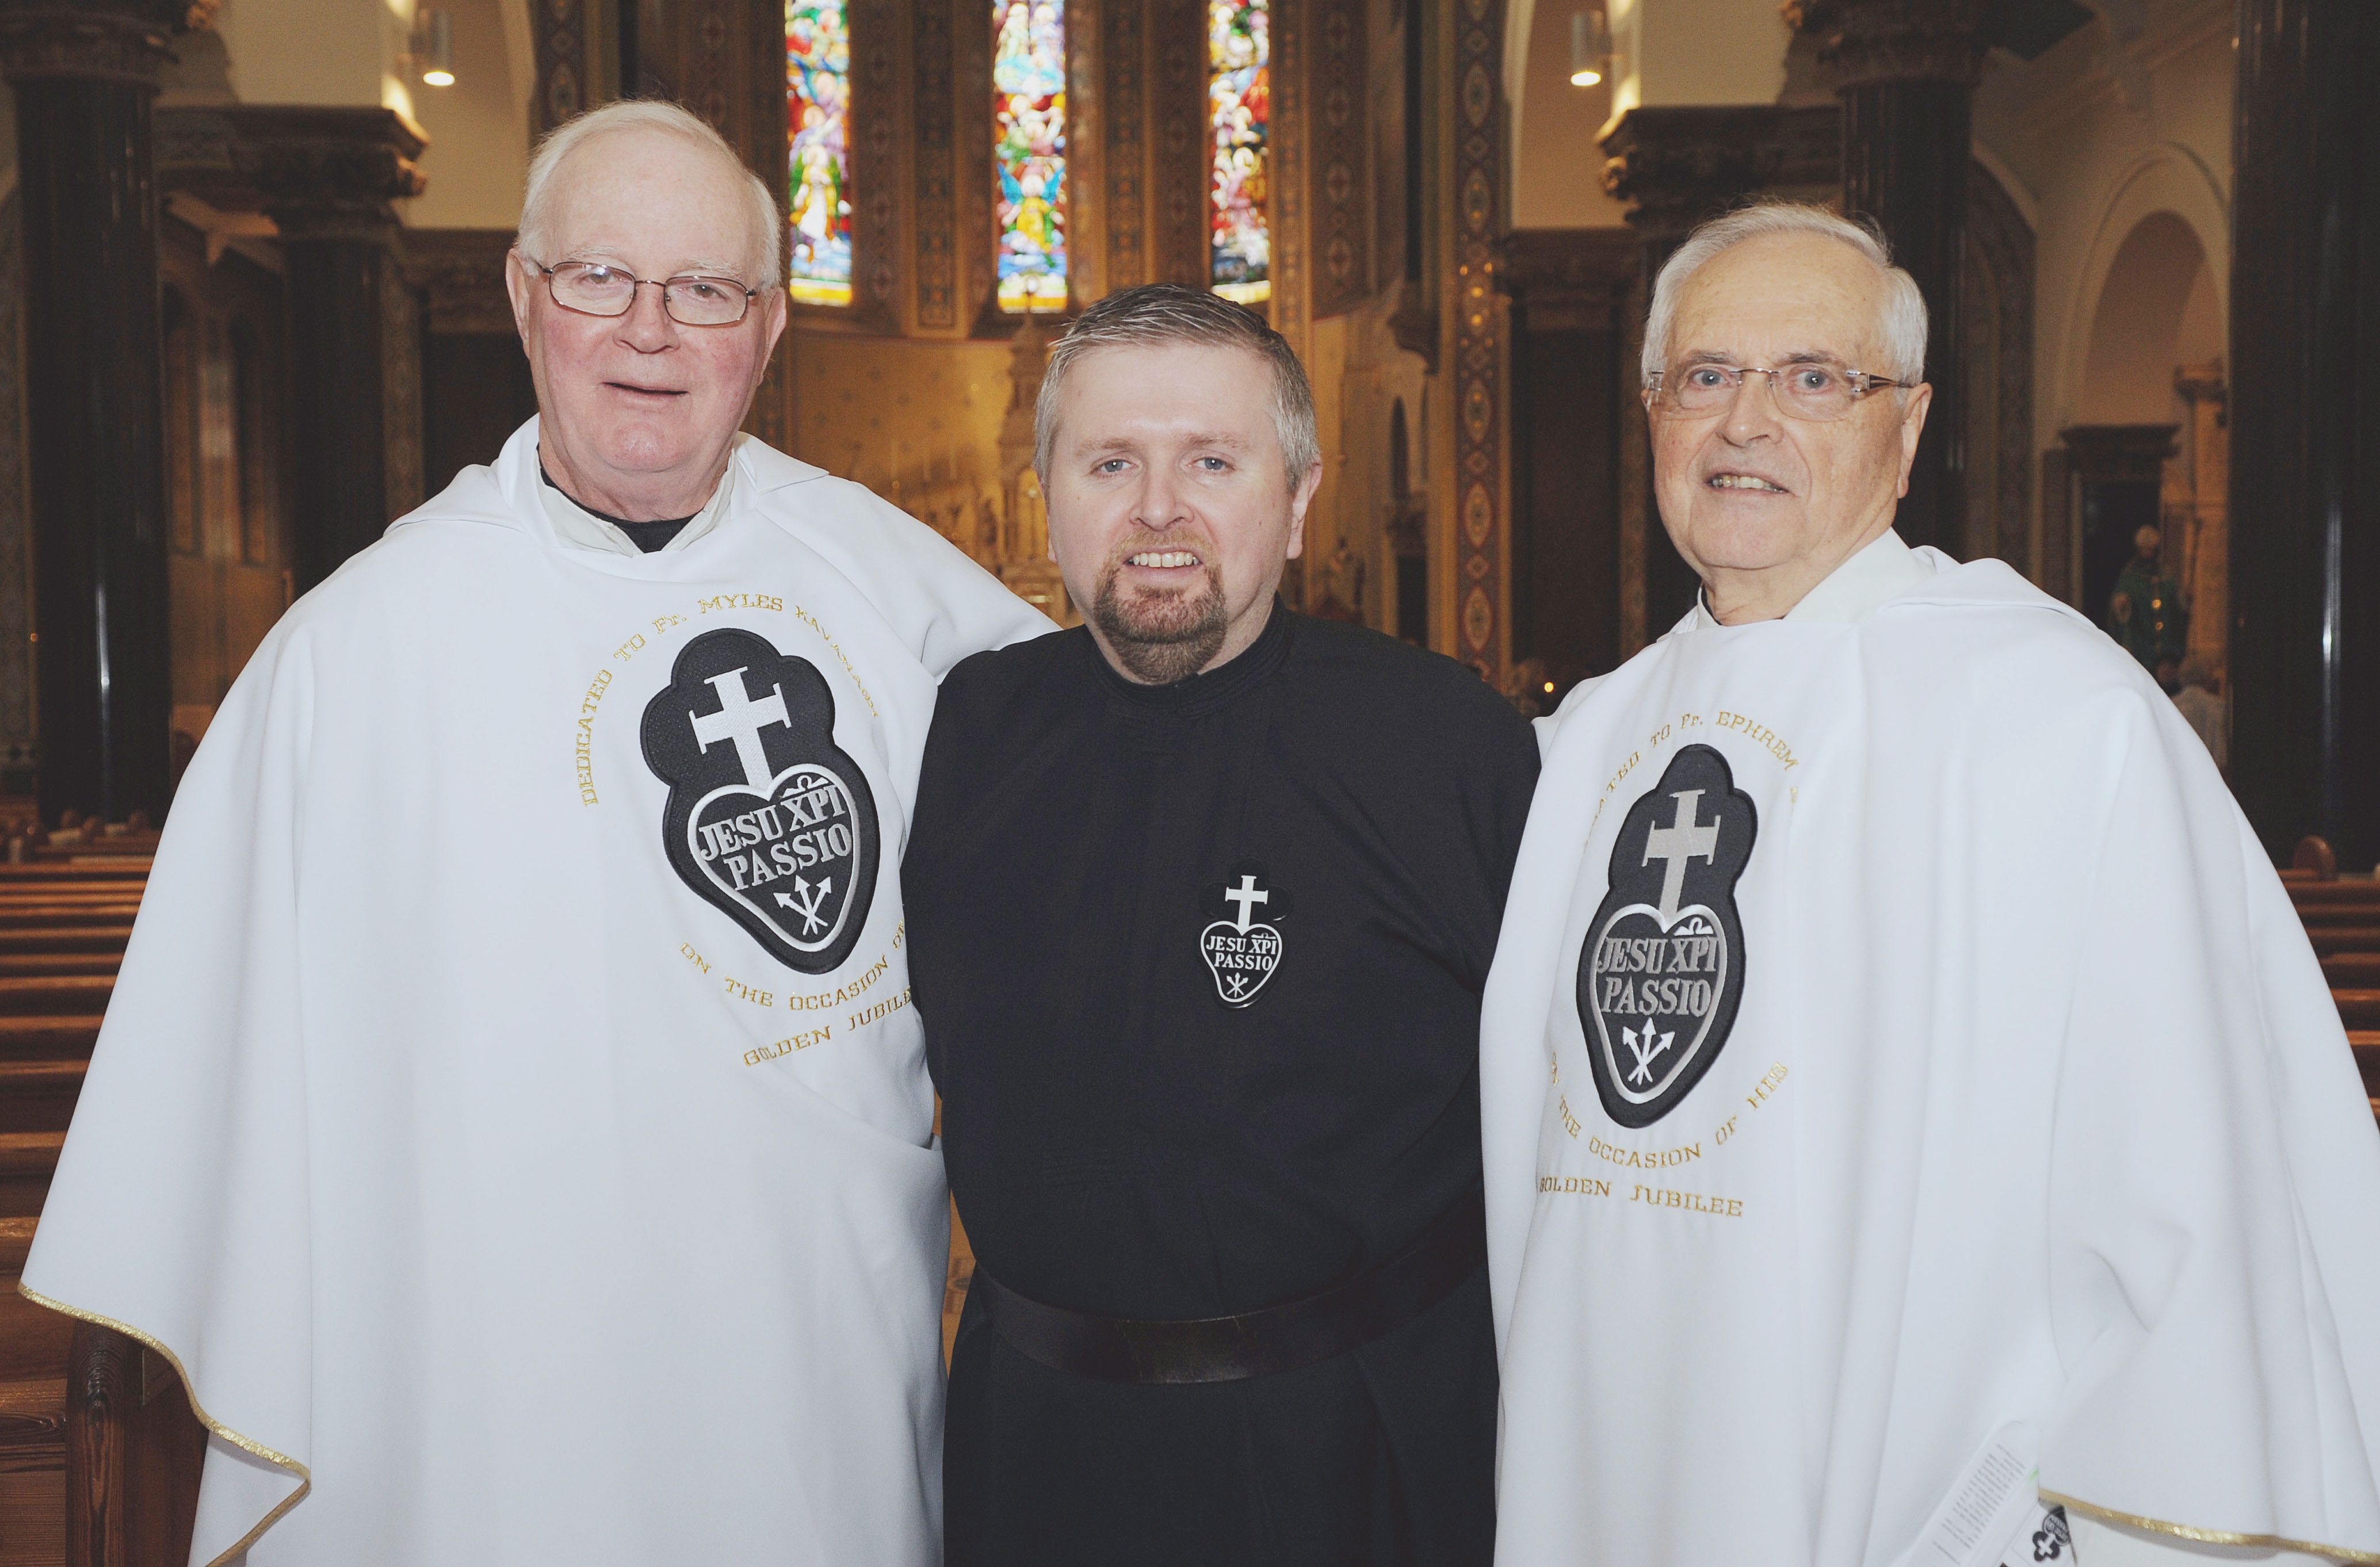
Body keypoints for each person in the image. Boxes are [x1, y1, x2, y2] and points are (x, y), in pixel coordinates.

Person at [21, 100, 1046, 1565]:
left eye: (705, 291)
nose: (650, 331)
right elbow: (219, 1063)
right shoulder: (357, 650)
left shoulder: (906, 596)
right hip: (475, 1371)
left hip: (801, 1342)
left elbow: (1099, 861)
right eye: (599, 279)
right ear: (521, 296)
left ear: (766, 330)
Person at [1481, 203, 2380, 1566]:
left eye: (1816, 380)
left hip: (1921, 1495)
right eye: (1707, 377)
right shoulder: (1594, 736)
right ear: (1652, 414)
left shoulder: (2055, 719)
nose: (1746, 424)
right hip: (1609, 1451)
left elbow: (2192, 1157)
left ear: (1906, 437)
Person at [905, 284, 1537, 1566]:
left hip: (1354, 1453)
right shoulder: (962, 736)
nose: (1156, 512)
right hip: (1035, 1455)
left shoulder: (1444, 746)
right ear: (1047, 494)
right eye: (1109, 463)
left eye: (1210, 461)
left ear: (1297, 498)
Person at [2108, 522, 2188, 672]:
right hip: (2141, 645)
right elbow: (2119, 605)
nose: (2149, 555)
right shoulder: (2130, 577)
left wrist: (2183, 600)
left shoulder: (2166, 576)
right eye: (2145, 551)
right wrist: (2122, 604)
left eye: (2152, 551)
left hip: (2166, 650)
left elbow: (2177, 606)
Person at [2173, 654, 2228, 773]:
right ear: (2208, 675)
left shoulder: (2171, 705)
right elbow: (2221, 752)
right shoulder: (2218, 706)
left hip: (2179, 772)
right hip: (2210, 773)